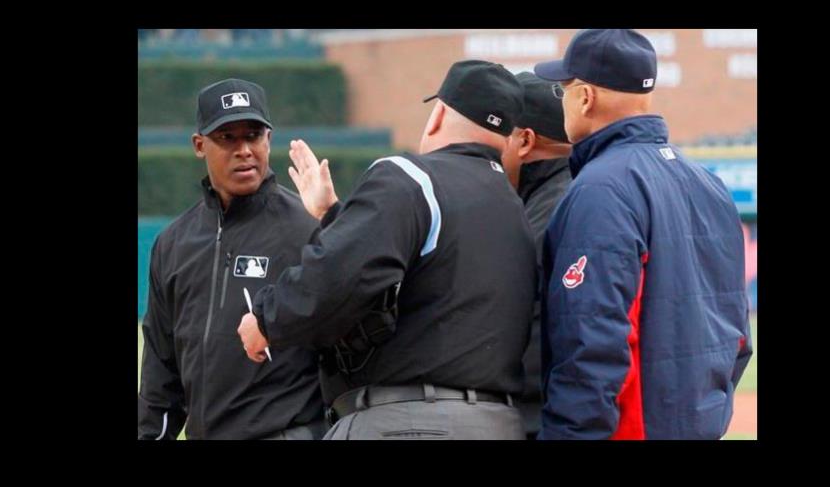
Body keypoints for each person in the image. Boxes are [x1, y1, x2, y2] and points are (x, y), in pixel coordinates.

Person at [237, 60, 537, 440]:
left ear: (438, 114)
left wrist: (265, 320)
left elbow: (340, 275)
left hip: (411, 422)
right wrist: (332, 217)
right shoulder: (515, 208)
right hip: (500, 423)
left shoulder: (411, 177)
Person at [533, 29, 752, 439]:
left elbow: (591, 342)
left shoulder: (601, 188)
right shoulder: (709, 184)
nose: (562, 100)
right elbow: (737, 335)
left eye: (563, 89)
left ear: (585, 96)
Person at [138, 78, 325, 440]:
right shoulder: (174, 243)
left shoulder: (308, 228)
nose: (244, 150)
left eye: (253, 135)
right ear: (199, 145)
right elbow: (161, 375)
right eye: (227, 137)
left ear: (268, 139)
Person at [500, 71, 572, 440]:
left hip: (541, 420)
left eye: (500, 134)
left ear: (525, 140)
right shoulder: (561, 194)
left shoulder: (553, 208)